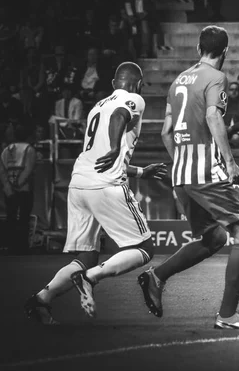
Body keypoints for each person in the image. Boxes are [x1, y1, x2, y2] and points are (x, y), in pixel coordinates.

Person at [24, 62, 167, 324]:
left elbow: (99, 153)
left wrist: (139, 172)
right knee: (145, 248)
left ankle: (42, 299)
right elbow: (120, 116)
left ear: (113, 83)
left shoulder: (97, 106)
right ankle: (90, 278)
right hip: (106, 186)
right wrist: (115, 147)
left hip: (79, 184)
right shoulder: (133, 99)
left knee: (88, 256)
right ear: (139, 84)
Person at [139, 25, 239, 330]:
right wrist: (230, 162)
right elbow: (212, 116)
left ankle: (156, 276)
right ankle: (228, 314)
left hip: (181, 174)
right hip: (206, 170)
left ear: (197, 49)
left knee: (215, 237)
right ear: (225, 52)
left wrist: (181, 161)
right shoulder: (216, 77)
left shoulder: (178, 80)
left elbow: (166, 131)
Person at [0, 124, 37, 254]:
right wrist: (19, 183)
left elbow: (1, 170)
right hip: (24, 188)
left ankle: (11, 245)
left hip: (9, 189)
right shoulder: (29, 149)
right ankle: (22, 246)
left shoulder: (6, 149)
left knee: (11, 216)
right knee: (24, 218)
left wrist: (8, 186)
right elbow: (28, 168)